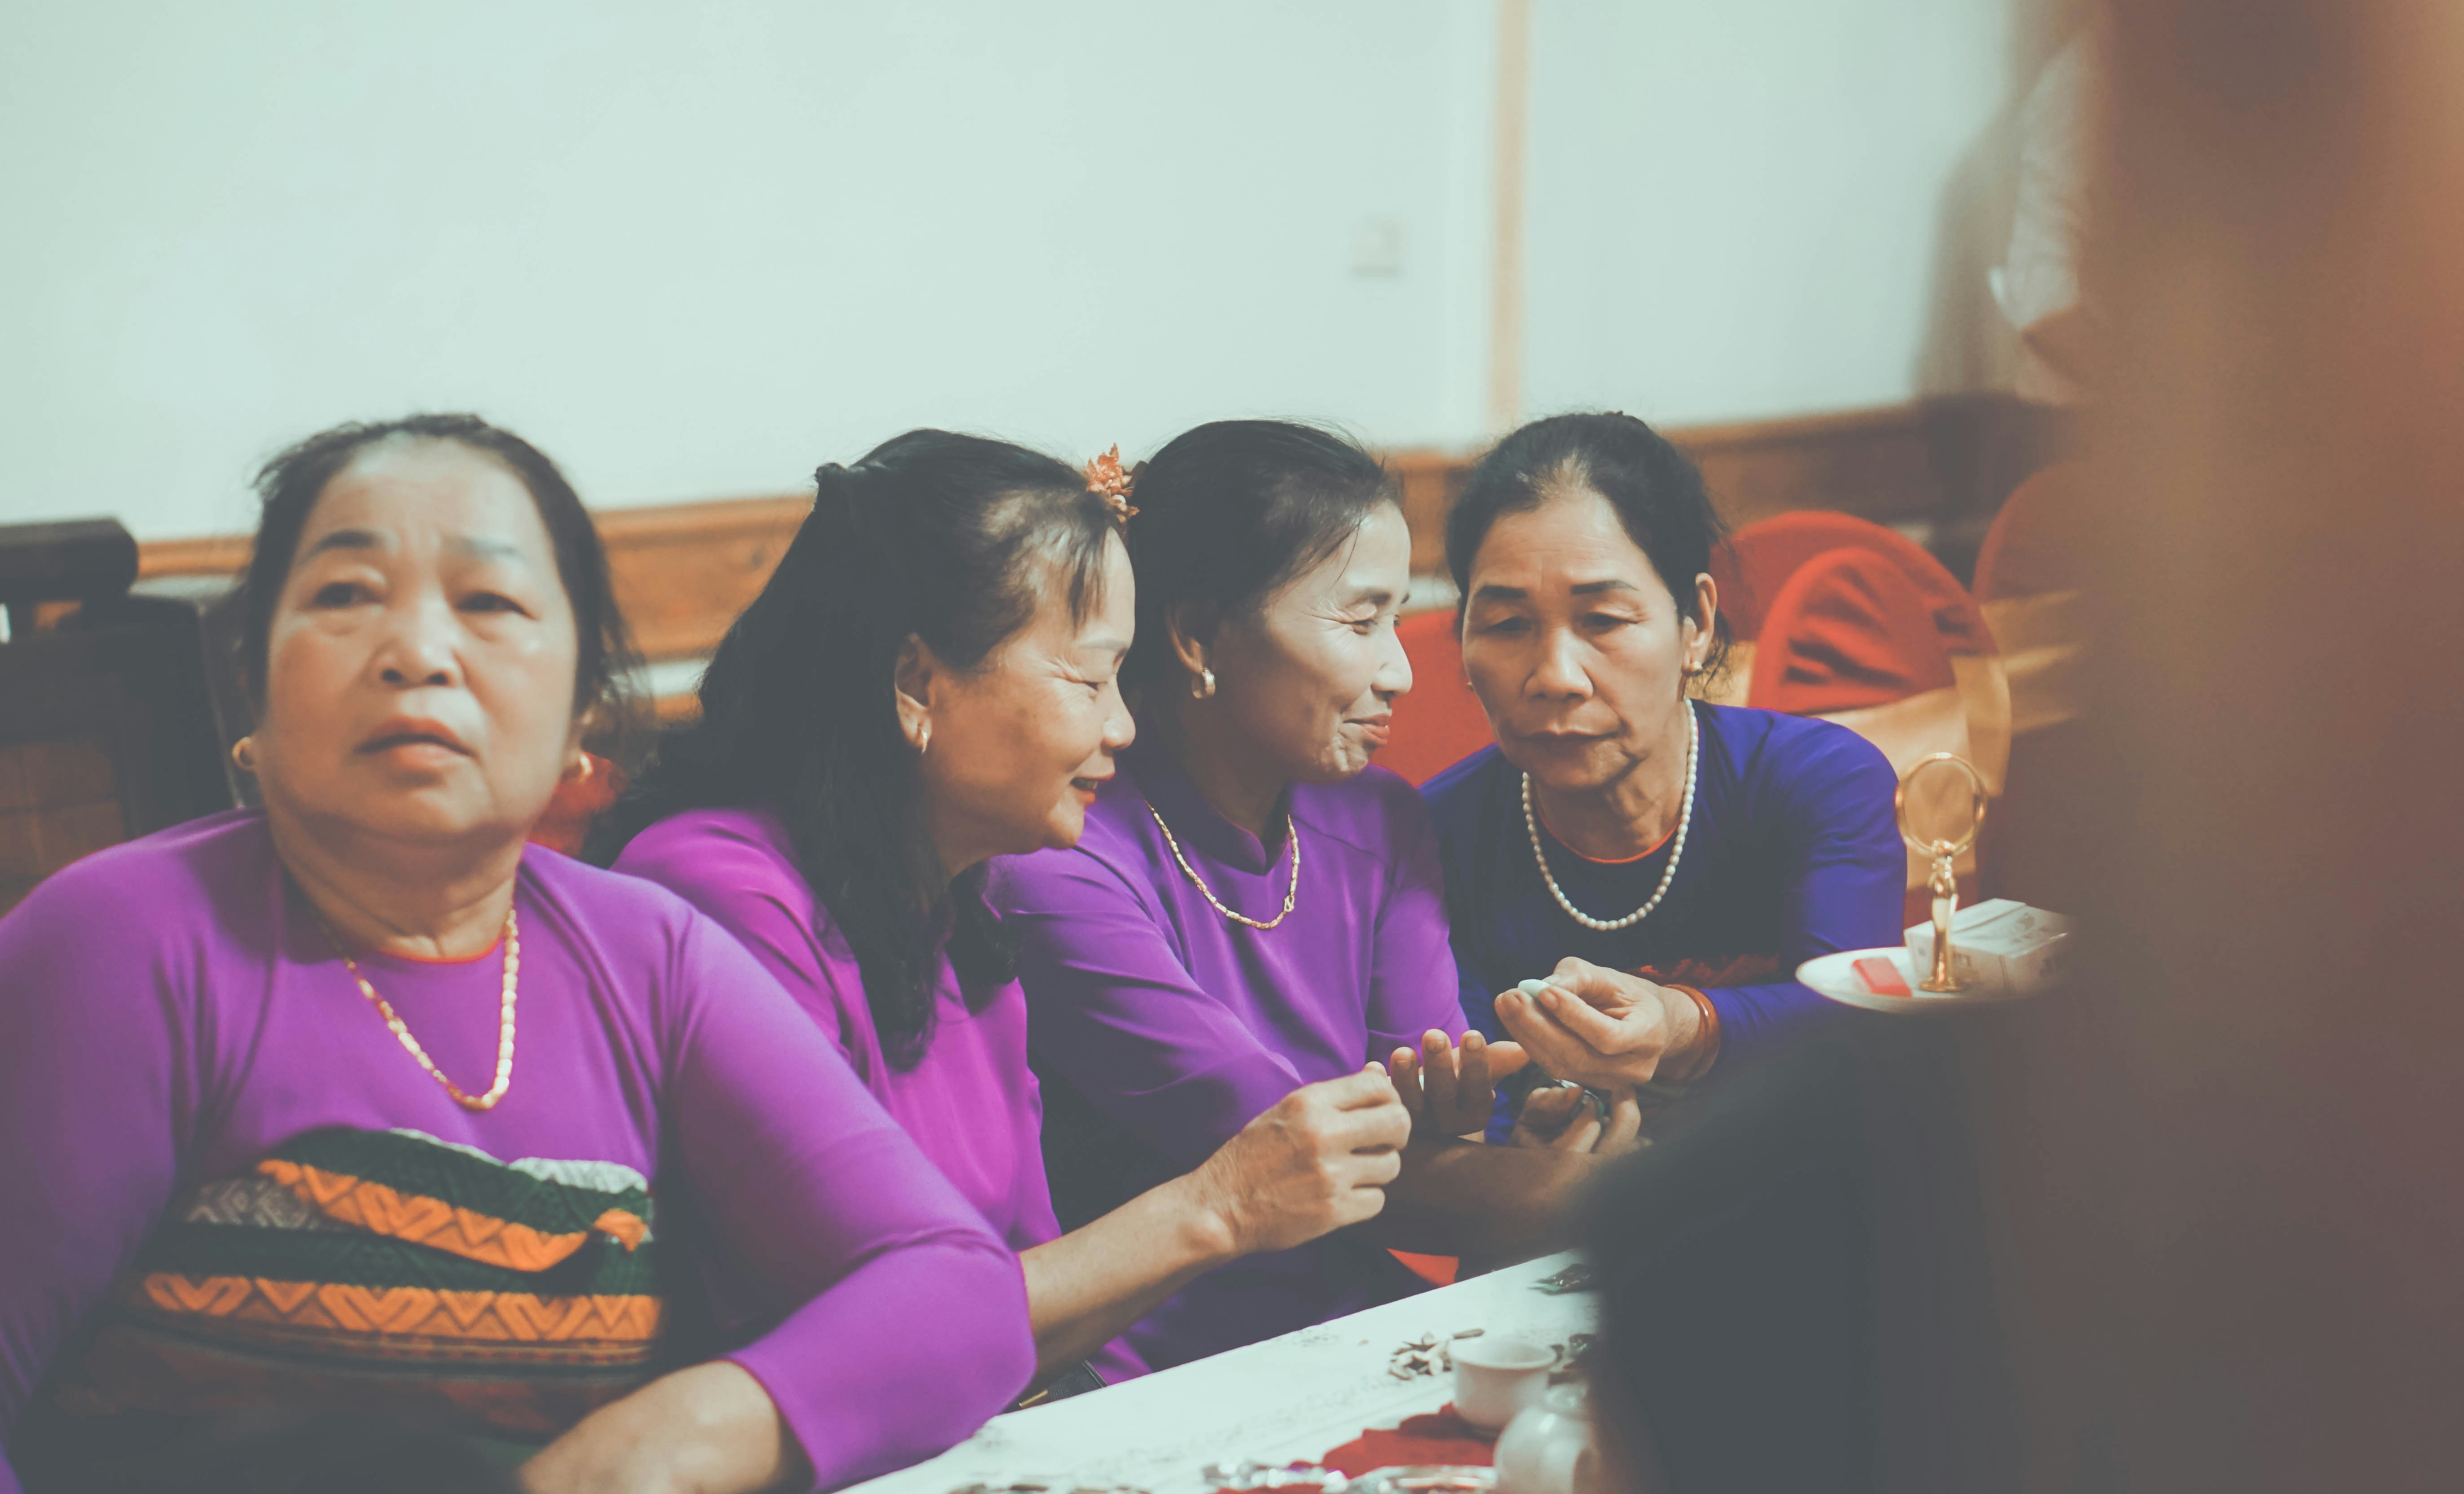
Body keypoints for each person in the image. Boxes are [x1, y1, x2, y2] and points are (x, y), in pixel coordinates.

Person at [0, 416, 1033, 1494]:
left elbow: (956, 1289)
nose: (418, 651)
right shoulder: (115, 950)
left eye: (491, 603)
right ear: (255, 690)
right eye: (342, 596)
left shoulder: (647, 956)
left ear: (582, 720)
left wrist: (667, 1439)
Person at [601, 430, 1414, 1394]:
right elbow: (856, 1333)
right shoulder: (720, 896)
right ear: (917, 683)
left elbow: (1030, 1298)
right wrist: (1217, 1206)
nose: (1121, 724)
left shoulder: (958, 905)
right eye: (1087, 677)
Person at [988, 421, 1636, 1376]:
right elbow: (1288, 1146)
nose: (1402, 670)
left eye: (1400, 619)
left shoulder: (1379, 820)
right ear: (1198, 637)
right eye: (1359, 620)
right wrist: (1602, 1193)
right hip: (1149, 1366)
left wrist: (1487, 1135)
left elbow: (1416, 1120)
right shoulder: (1061, 856)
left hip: (1362, 1319)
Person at [1422, 412, 1905, 1133]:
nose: (1556, 677)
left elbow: (1858, 1020)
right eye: (1507, 627)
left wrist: (1686, 1026)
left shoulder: (1816, 782)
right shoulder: (1435, 837)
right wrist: (1518, 1148)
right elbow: (1468, 1096)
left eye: (1605, 620)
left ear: (1697, 624)